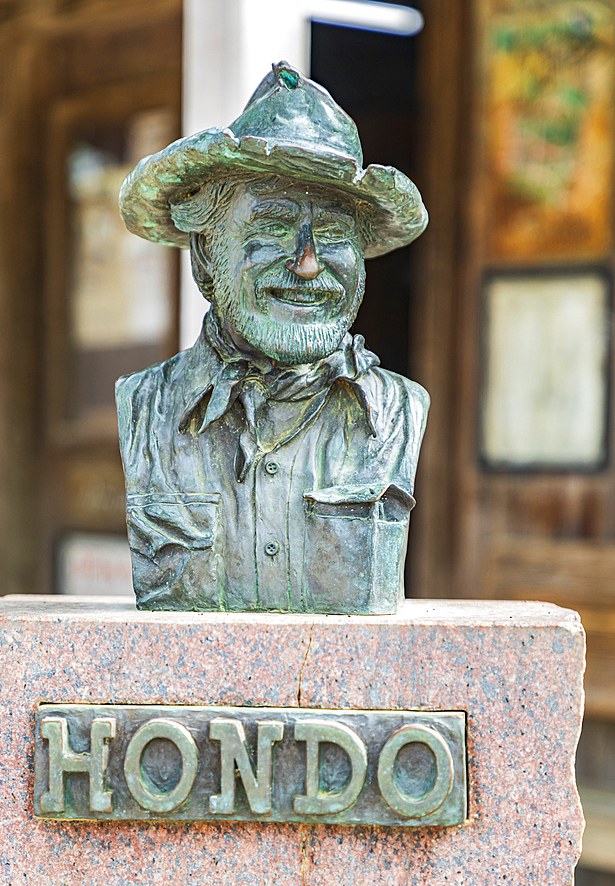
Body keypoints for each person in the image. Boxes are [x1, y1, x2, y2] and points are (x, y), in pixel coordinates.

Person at [116, 61, 429, 613]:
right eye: (273, 228)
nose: (308, 264)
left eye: (332, 234)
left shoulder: (398, 411)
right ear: (207, 258)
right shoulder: (146, 409)